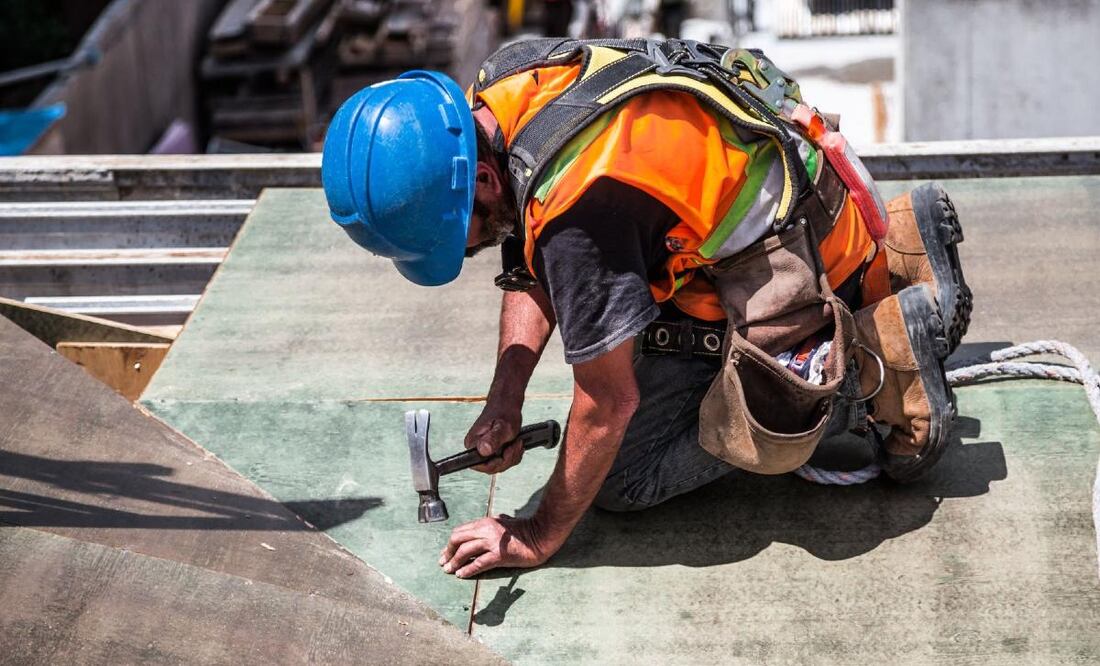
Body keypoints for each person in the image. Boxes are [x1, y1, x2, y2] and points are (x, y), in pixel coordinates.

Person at [321, 38, 972, 579]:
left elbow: (607, 403)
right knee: (618, 326)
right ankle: (900, 248)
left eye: (455, 239)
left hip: (797, 268)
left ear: (483, 179)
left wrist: (538, 534)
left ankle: (874, 369)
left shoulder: (581, 212)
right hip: (812, 201)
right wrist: (505, 398)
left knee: (624, 478)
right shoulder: (504, 87)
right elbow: (529, 250)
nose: (465, 253)